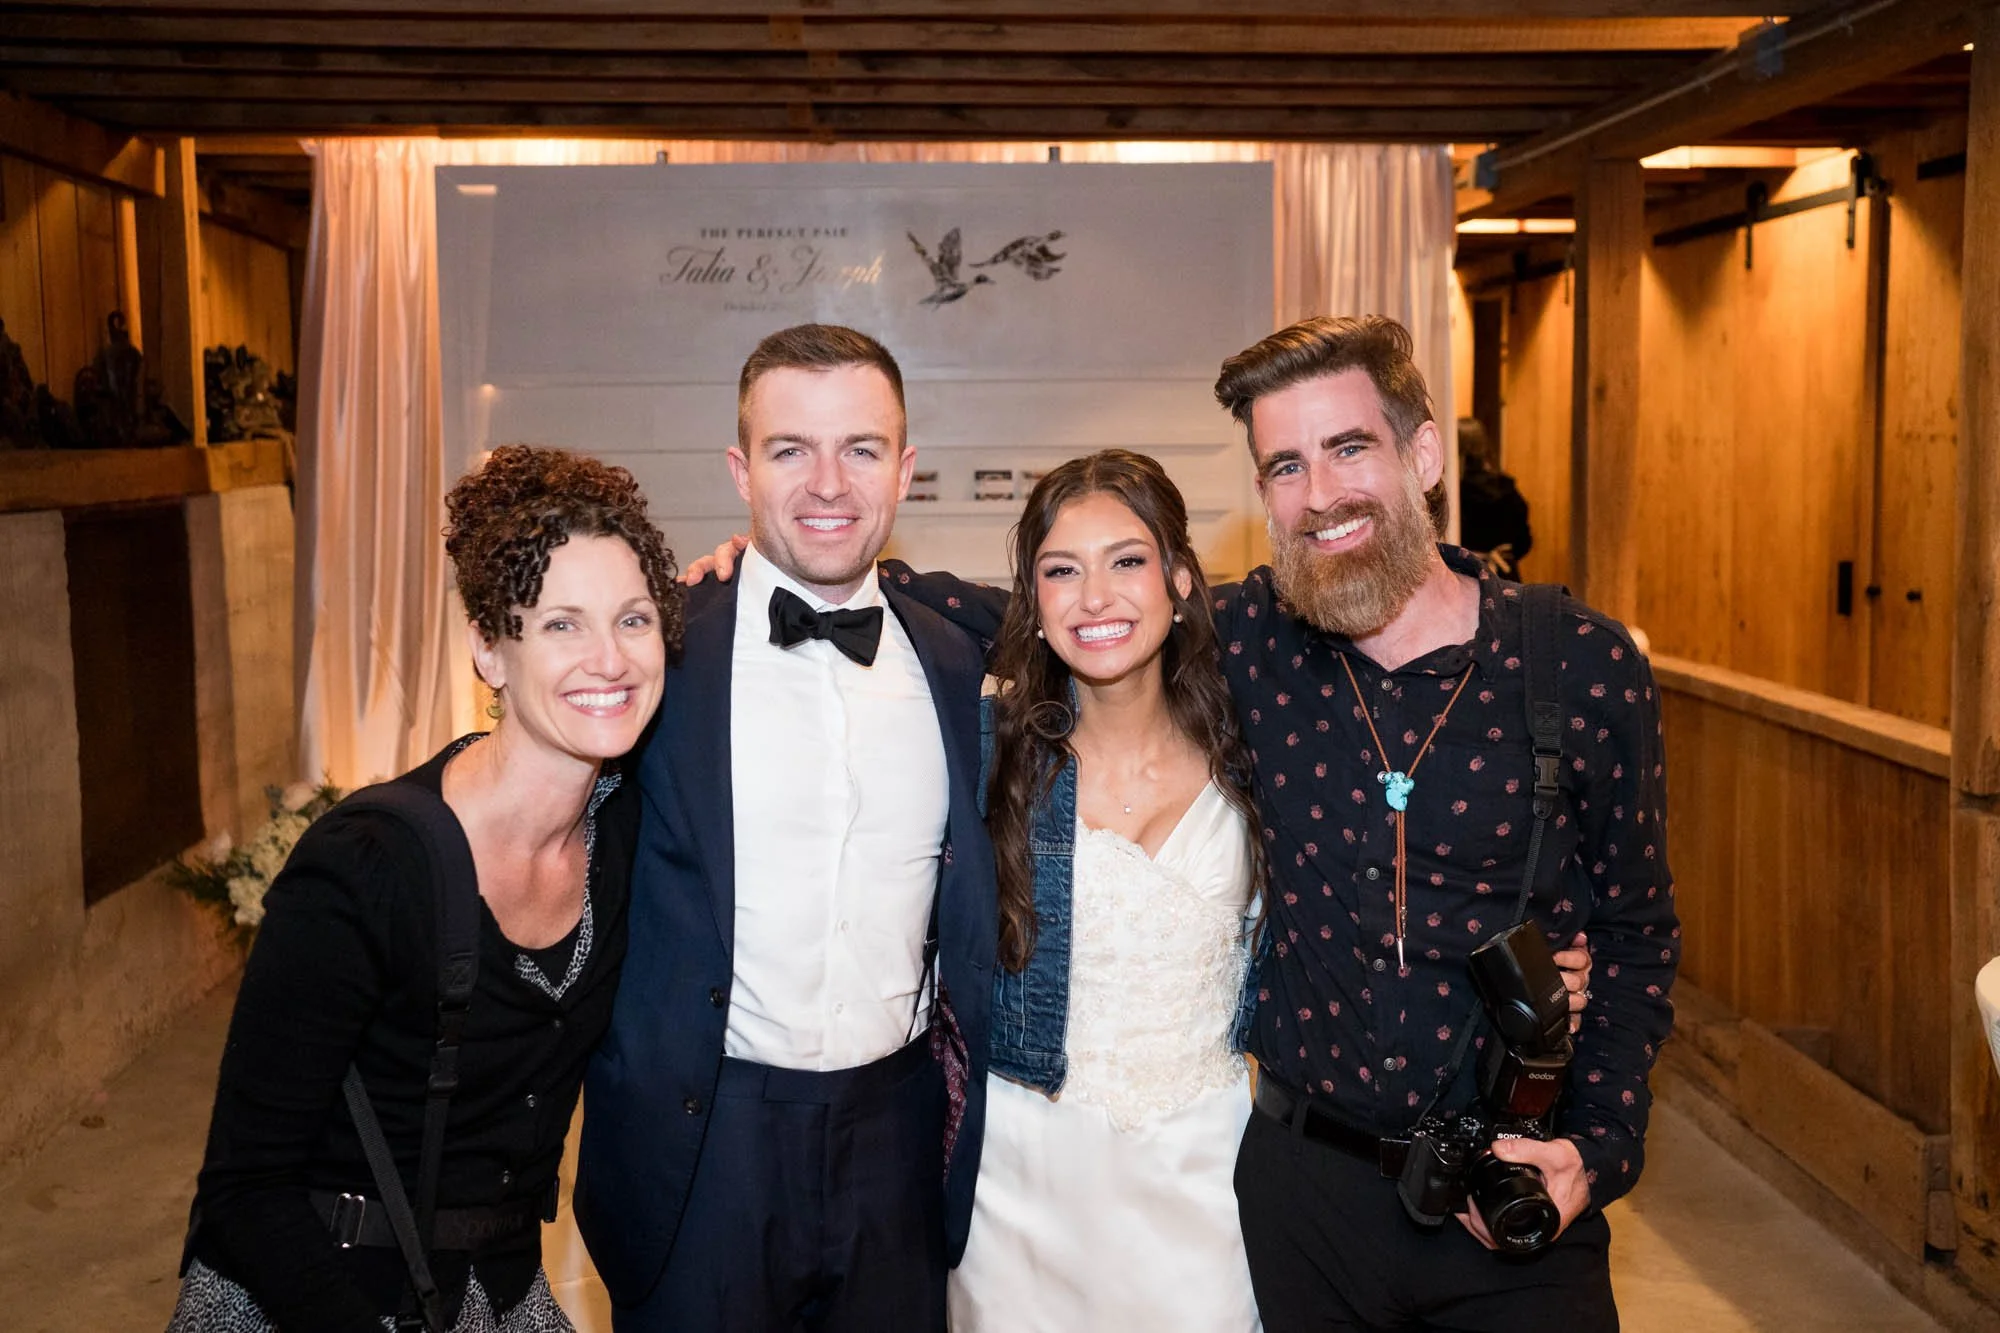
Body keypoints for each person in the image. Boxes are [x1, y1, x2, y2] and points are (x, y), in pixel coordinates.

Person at [1210, 316, 1677, 1330]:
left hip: (1504, 1192)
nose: (1319, 494)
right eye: (1284, 465)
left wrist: (1594, 1150)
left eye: (1347, 448)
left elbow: (1638, 938)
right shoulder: (1244, 642)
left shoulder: (1582, 665)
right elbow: (1058, 614)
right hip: (1303, 1200)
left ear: (1421, 454)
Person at [169, 445, 683, 1332]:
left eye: (633, 619)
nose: (610, 658)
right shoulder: (368, 864)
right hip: (317, 1289)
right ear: (489, 648)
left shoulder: (626, 835)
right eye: (562, 624)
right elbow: (246, 1188)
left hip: (492, 1282)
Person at [573, 325, 997, 1333]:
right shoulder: (657, 648)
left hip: (897, 1141)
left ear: (905, 469)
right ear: (739, 470)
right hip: (701, 1142)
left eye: (859, 448)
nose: (826, 483)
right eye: (788, 449)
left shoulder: (957, 653)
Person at [950, 450, 1265, 1329]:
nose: (1096, 598)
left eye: (1127, 560)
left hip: (1203, 1175)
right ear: (1033, 599)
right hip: (1021, 1185)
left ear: (1180, 578)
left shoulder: (1258, 756)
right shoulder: (991, 754)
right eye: (1062, 570)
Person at [1455, 417, 1533, 578]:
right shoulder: (1506, 488)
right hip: (1504, 576)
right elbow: (1524, 541)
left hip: (1465, 576)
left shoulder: (1453, 491)